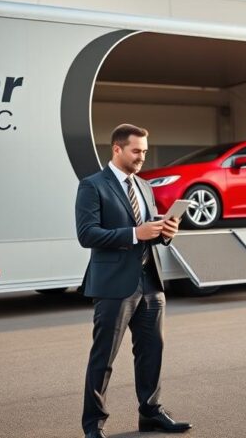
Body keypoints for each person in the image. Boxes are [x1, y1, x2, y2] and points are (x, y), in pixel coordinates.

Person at [76, 123, 192, 438]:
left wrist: (165, 233)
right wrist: (134, 233)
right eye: (136, 151)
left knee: (152, 350)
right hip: (114, 284)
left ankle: (151, 413)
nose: (142, 156)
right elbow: (87, 234)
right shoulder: (92, 185)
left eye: (144, 150)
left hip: (150, 281)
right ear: (117, 149)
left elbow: (148, 231)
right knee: (104, 356)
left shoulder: (144, 186)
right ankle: (93, 425)